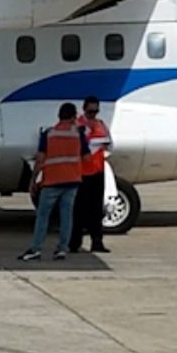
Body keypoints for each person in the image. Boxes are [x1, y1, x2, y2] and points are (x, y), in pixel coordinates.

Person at [21, 103, 88, 261]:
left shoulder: (49, 134)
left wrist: (33, 180)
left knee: (43, 216)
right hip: (72, 180)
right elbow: (87, 158)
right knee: (66, 216)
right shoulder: (78, 135)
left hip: (52, 181)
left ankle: (36, 248)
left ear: (59, 116)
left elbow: (40, 159)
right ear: (73, 117)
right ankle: (62, 249)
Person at [70, 96, 113, 254]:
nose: (93, 115)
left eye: (95, 111)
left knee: (96, 209)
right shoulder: (78, 125)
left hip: (97, 171)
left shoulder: (101, 124)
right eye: (90, 112)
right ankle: (74, 242)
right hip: (82, 172)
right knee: (79, 210)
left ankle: (97, 242)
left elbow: (110, 143)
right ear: (84, 109)